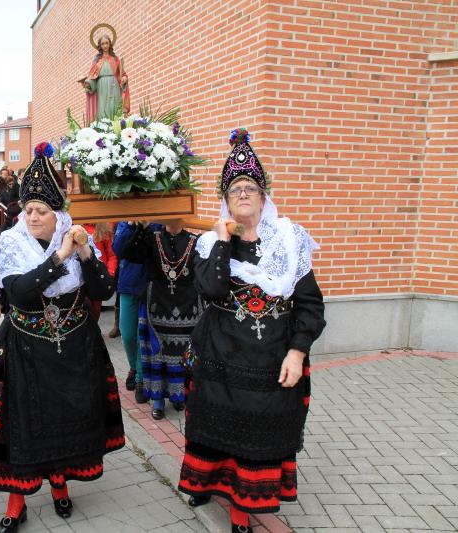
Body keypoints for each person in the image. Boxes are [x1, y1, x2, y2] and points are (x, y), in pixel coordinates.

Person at [178, 129, 326, 533]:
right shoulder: (210, 244)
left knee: (258, 433)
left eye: (250, 187)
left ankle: (243, 506)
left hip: (272, 359)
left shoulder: (289, 242)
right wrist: (225, 238)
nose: (243, 193)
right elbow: (210, 289)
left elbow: (311, 304)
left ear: (263, 196)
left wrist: (297, 351)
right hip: (220, 355)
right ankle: (206, 484)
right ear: (225, 201)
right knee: (213, 426)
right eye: (234, 189)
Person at [0, 142, 125, 533]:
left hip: (74, 347)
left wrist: (86, 254)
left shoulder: (78, 240)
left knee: (65, 417)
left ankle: (59, 486)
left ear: (57, 213)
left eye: (41, 211)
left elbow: (103, 291)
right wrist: (59, 258)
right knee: (20, 424)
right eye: (28, 211)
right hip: (25, 347)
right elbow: (20, 293)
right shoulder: (12, 242)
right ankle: (16, 502)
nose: (33, 217)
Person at [122, 218, 204, 420]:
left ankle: (178, 396)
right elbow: (129, 253)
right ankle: (157, 401)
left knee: (182, 353)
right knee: (157, 353)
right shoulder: (151, 236)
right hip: (157, 304)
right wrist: (140, 226)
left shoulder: (196, 240)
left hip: (187, 307)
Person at [112, 221, 151, 403]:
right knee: (127, 334)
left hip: (151, 285)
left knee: (142, 335)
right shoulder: (124, 224)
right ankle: (134, 367)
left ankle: (140, 379)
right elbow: (118, 249)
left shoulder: (157, 224)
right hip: (128, 284)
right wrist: (131, 225)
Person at [82, 33, 130, 121]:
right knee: (102, 108)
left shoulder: (115, 59)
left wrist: (124, 78)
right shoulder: (97, 60)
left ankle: (117, 126)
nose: (105, 45)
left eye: (107, 43)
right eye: (103, 43)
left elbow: (122, 74)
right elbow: (92, 77)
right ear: (100, 46)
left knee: (115, 107)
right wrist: (88, 84)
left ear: (110, 44)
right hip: (102, 87)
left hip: (114, 85)